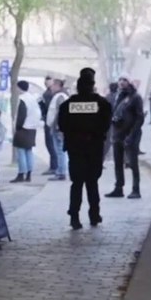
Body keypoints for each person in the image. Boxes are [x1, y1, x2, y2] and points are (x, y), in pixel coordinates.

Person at [57, 68, 113, 229]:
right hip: (94, 148)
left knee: (77, 184)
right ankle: (94, 214)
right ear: (92, 85)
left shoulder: (68, 105)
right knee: (92, 183)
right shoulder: (102, 104)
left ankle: (74, 216)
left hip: (75, 149)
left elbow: (62, 125)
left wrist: (76, 134)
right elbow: (105, 125)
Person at [108, 75, 144, 199]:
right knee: (118, 162)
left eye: (125, 80)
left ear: (129, 82)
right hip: (117, 133)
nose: (122, 82)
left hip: (130, 134)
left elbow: (140, 118)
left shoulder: (135, 97)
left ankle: (136, 189)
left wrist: (132, 134)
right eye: (120, 80)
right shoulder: (117, 96)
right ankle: (119, 187)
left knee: (133, 163)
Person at [11, 80, 42, 182]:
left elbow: (21, 115)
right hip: (32, 128)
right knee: (29, 151)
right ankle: (29, 174)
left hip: (23, 128)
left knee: (21, 152)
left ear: (20, 88)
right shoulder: (32, 98)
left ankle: (21, 173)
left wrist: (18, 127)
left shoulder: (23, 99)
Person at [46, 79, 70, 180]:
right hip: (59, 127)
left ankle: (61, 172)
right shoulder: (63, 96)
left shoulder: (60, 96)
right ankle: (61, 170)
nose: (51, 88)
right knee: (60, 150)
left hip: (58, 128)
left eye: (52, 86)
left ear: (57, 85)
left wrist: (58, 126)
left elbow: (61, 112)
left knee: (60, 150)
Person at [40, 77, 58, 176]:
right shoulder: (48, 94)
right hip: (50, 121)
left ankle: (54, 166)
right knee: (52, 145)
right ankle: (55, 165)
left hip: (50, 121)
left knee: (51, 145)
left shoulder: (49, 95)